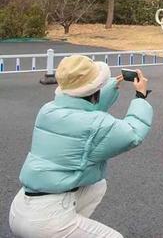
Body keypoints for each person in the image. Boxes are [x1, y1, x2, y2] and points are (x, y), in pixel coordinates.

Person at [9, 56, 152, 238]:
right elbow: (132, 133)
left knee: (97, 186)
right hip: (45, 222)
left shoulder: (48, 110)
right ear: (94, 89)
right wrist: (141, 96)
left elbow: (82, 107)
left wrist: (111, 85)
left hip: (20, 209)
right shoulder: (96, 124)